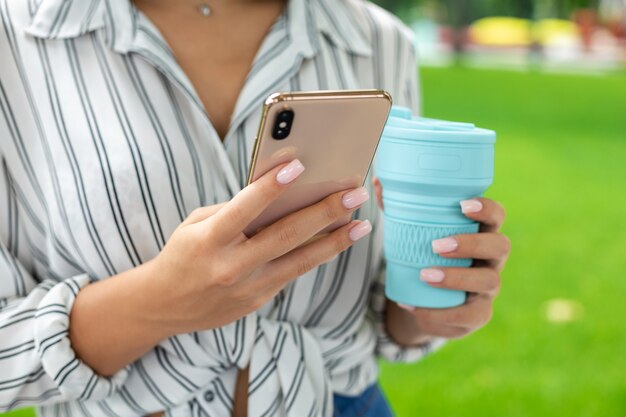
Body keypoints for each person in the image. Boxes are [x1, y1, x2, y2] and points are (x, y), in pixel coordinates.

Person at [0, 0, 510, 416]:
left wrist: (428, 306)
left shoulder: (378, 37)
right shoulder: (15, 35)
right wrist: (156, 302)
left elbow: (376, 309)